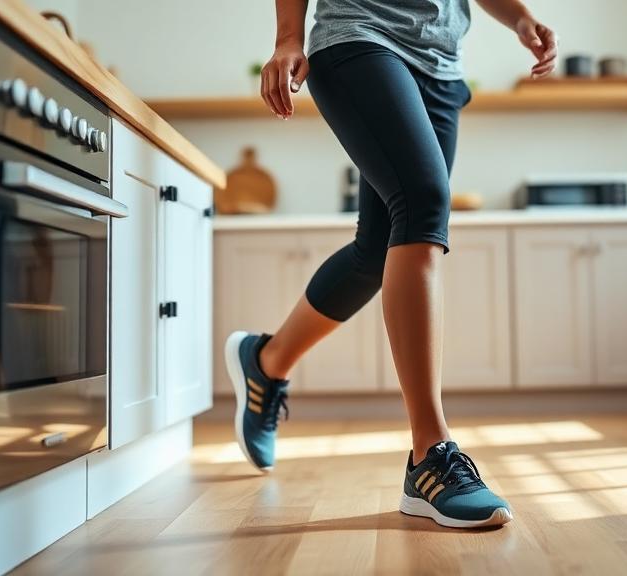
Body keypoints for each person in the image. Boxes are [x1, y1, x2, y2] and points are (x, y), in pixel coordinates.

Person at [225, 0, 557, 529]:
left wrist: (519, 17)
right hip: (361, 34)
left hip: (441, 63)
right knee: (424, 203)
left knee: (375, 253)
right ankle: (430, 454)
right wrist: (288, 37)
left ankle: (266, 360)